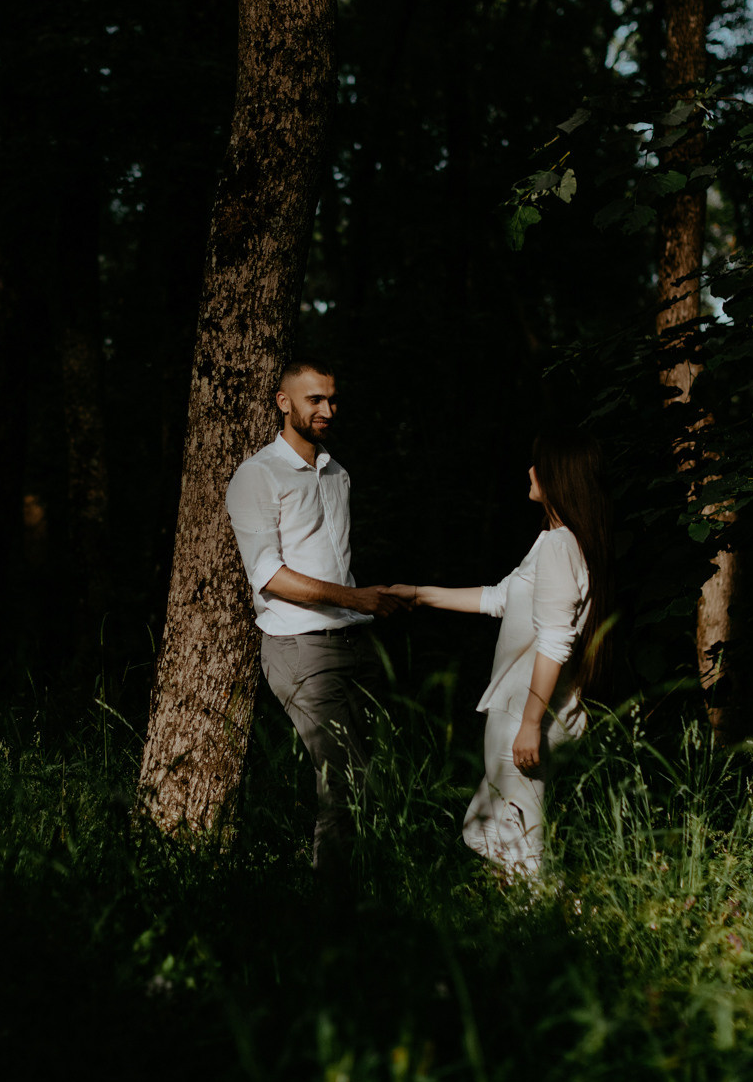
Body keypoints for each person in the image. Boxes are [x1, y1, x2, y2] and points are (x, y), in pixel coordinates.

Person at [386, 431, 613, 876]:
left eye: (538, 464)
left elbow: (554, 641)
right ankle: (514, 935)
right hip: (533, 712)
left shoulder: (558, 546)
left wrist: (529, 724)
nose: (529, 471)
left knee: (520, 851)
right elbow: (498, 598)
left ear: (558, 477)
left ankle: (536, 935)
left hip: (528, 715)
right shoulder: (559, 542)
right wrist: (418, 594)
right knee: (501, 834)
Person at [226, 358, 405, 881]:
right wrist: (355, 598)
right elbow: (269, 575)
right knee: (344, 784)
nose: (327, 409)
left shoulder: (336, 471)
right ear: (284, 403)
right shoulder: (258, 475)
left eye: (332, 399)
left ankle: (377, 897)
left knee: (380, 776)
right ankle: (331, 916)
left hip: (355, 642)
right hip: (300, 647)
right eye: (314, 400)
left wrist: (365, 603)